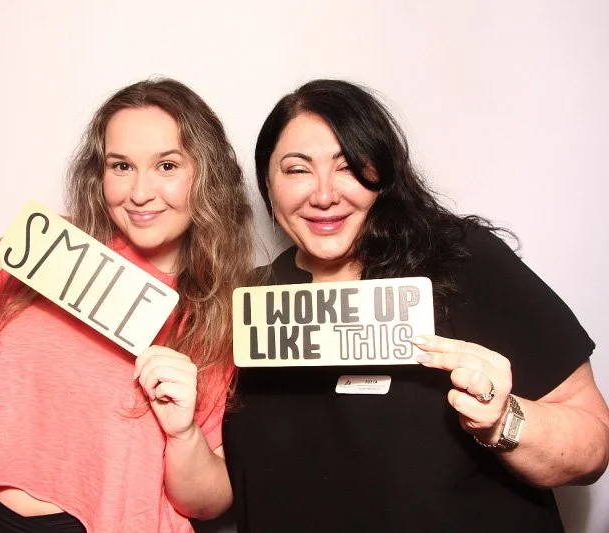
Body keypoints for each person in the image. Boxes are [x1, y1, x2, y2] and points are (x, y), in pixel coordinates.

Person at [222, 79, 609, 533]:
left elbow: (593, 445)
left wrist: (501, 420)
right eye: (297, 169)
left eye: (348, 166)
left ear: (384, 175)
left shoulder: (463, 262)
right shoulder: (248, 305)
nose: (324, 195)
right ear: (268, 183)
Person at [0, 78, 252, 532]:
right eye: (121, 166)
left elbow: (210, 503)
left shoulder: (219, 315)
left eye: (166, 165)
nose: (140, 192)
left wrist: (183, 433)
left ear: (206, 174)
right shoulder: (45, 247)